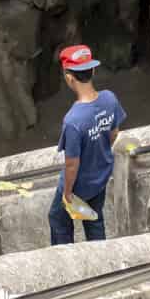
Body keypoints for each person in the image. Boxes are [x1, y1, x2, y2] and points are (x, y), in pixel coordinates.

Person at [48, 44, 126, 246]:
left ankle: (66, 259)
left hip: (79, 184)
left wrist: (67, 193)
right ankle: (100, 257)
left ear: (69, 78)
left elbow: (72, 164)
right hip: (100, 175)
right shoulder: (110, 98)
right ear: (93, 70)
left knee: (58, 219)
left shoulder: (73, 120)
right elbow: (114, 133)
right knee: (94, 218)